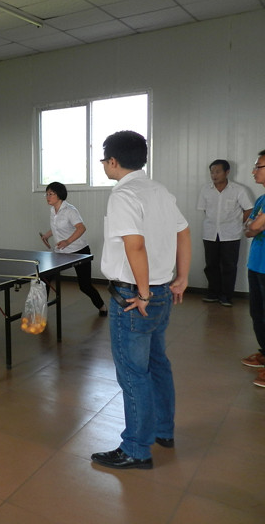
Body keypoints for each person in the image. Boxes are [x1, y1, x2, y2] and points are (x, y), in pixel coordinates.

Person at [91, 131, 191, 470]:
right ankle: (163, 431)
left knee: (133, 373)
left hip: (135, 297)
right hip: (162, 293)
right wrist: (182, 277)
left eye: (104, 159)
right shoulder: (159, 190)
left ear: (113, 161)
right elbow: (183, 231)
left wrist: (143, 293)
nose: (104, 165)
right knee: (157, 364)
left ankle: (136, 449)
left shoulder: (124, 194)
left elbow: (135, 245)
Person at [39, 181, 107, 316]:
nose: (48, 197)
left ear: (59, 195)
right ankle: (41, 311)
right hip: (61, 252)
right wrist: (47, 235)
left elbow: (81, 228)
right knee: (44, 278)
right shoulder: (53, 210)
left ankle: (102, 306)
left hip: (79, 251)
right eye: (46, 194)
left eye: (51, 194)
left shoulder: (70, 210)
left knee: (85, 286)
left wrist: (67, 241)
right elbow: (57, 227)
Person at [197, 159, 253, 306]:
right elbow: (205, 210)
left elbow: (249, 209)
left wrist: (238, 223)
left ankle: (226, 296)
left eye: (217, 172)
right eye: (212, 172)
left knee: (229, 266)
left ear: (227, 172)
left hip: (231, 234)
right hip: (210, 233)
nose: (214, 175)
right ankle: (213, 293)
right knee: (211, 265)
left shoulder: (238, 190)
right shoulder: (205, 189)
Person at [241, 150, 265, 386]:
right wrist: (254, 226)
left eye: (259, 166)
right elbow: (248, 227)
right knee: (257, 314)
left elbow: (255, 227)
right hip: (257, 263)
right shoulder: (260, 200)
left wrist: (255, 226)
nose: (253, 171)